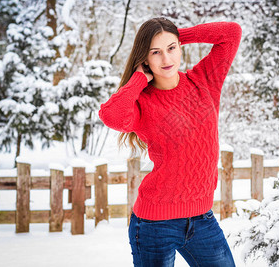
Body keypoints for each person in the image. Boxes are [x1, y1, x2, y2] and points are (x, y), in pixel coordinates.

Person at [98, 17, 242, 266]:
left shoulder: (204, 81)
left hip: (201, 219)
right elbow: (110, 115)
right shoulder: (143, 102)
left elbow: (231, 33)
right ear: (145, 59)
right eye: (156, 52)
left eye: (171, 49)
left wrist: (175, 35)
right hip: (155, 225)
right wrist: (138, 80)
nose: (166, 60)